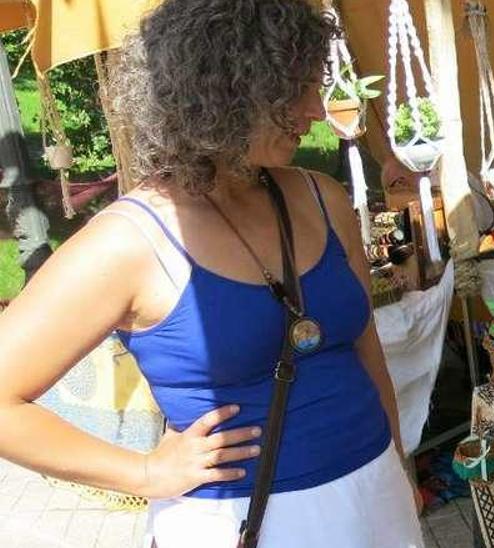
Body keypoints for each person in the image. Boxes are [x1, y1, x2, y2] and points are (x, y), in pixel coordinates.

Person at [0, 1, 424, 546]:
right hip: (244, 522)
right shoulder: (131, 241)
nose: (317, 110)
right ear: (227, 89)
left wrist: (398, 463)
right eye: (295, 88)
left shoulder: (323, 197)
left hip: (375, 495)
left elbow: (366, 347)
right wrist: (145, 474)